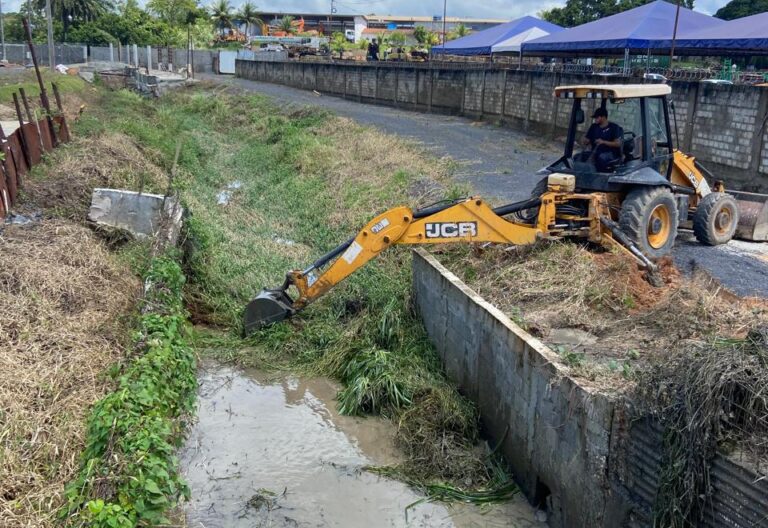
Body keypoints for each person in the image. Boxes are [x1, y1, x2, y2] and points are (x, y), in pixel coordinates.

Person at [580, 107, 623, 172]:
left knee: (601, 158)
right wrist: (584, 140)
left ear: (603, 117)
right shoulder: (594, 127)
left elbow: (618, 143)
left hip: (609, 153)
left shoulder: (614, 127)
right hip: (595, 152)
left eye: (597, 118)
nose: (595, 120)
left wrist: (603, 142)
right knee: (580, 156)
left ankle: (599, 176)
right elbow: (587, 139)